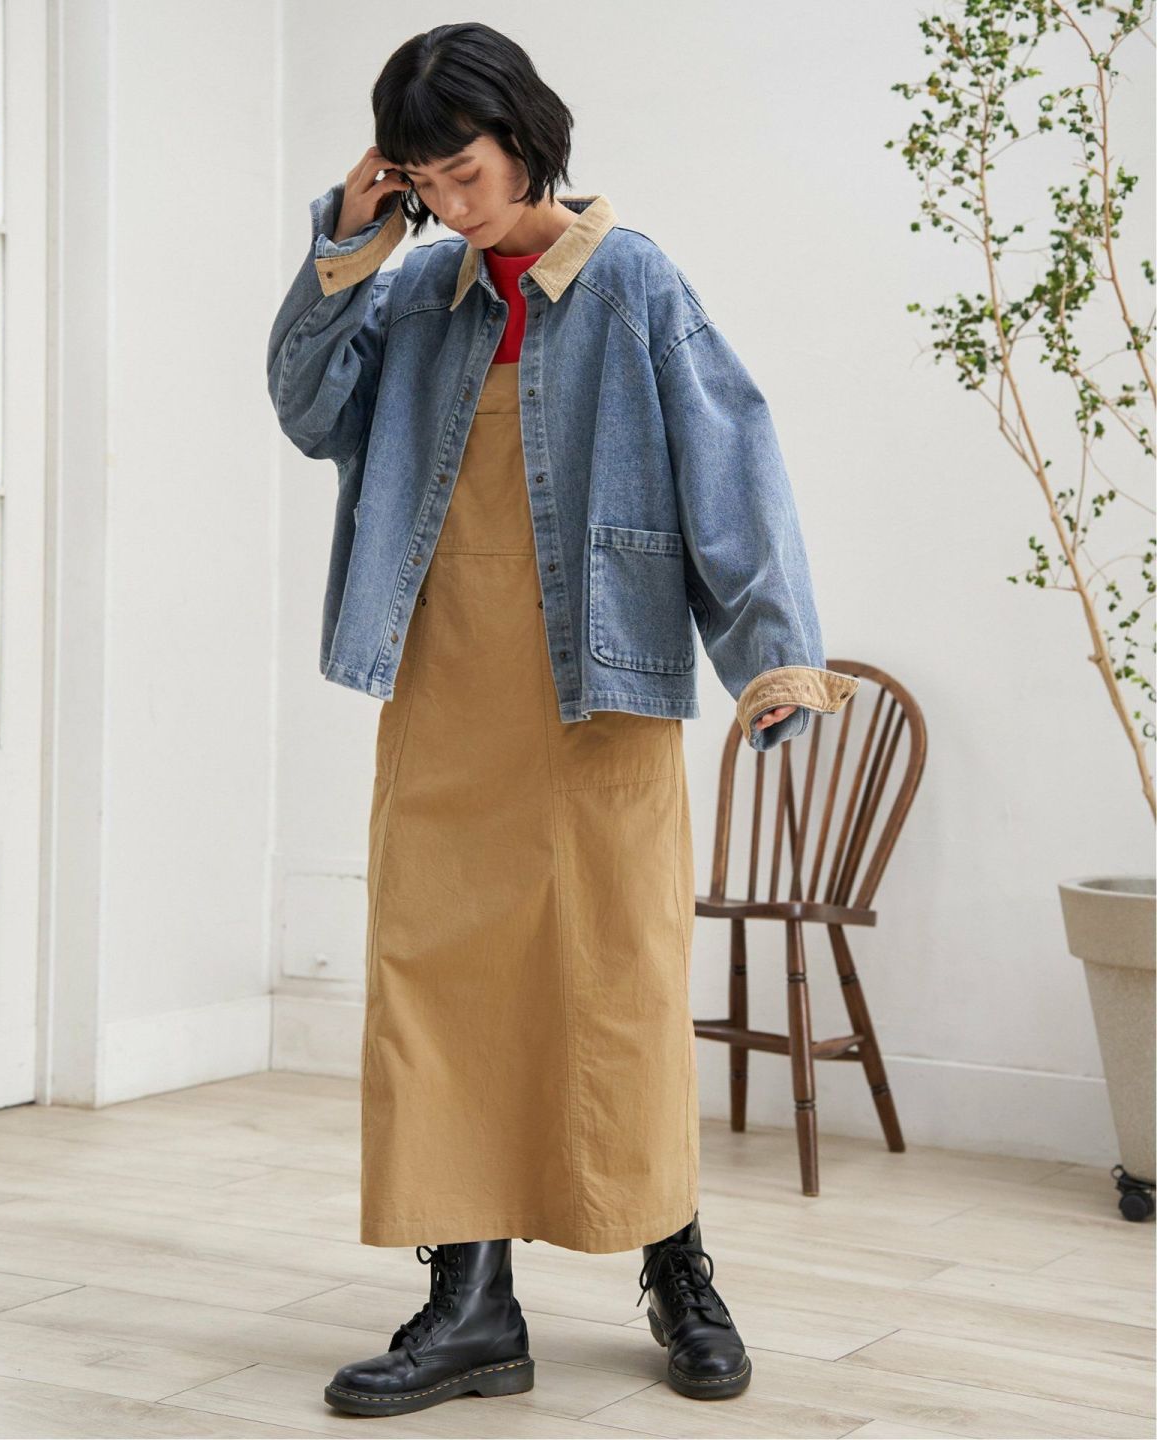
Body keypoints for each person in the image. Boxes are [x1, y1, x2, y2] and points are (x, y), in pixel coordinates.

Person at [266, 21, 860, 1420]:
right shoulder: (415, 290)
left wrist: (774, 659)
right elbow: (305, 409)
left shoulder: (633, 278)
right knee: (437, 988)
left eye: (464, 173)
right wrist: (349, 239)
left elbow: (732, 459)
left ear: (527, 139)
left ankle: (677, 1267)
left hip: (604, 689)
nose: (452, 204)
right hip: (444, 685)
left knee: (619, 981)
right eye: (424, 181)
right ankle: (472, 1306)